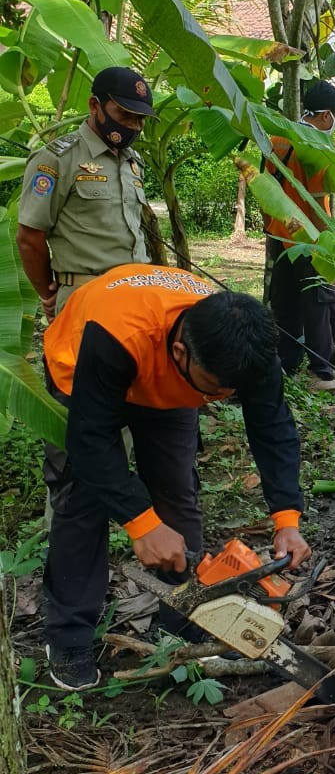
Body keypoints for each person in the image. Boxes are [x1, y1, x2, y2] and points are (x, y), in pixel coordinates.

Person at [41, 264, 310, 690]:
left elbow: (272, 426)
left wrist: (287, 519)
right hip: (86, 369)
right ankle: (69, 636)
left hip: (165, 382)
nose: (219, 400)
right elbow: (90, 439)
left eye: (230, 393)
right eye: (214, 389)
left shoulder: (246, 349)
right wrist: (141, 523)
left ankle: (181, 623)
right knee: (81, 498)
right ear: (182, 352)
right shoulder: (117, 333)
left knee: (175, 488)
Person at [262, 80, 335, 392]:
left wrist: (271, 228)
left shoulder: (277, 138)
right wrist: (329, 245)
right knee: (320, 301)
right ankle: (322, 373)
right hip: (310, 238)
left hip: (280, 235)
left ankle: (285, 365)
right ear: (326, 115)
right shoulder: (314, 145)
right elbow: (316, 198)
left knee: (285, 302)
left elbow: (263, 187)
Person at [17, 66, 154, 317]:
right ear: (94, 106)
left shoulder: (132, 162)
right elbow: (29, 237)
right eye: (124, 115)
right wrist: (48, 294)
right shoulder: (57, 159)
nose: (133, 126)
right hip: (86, 297)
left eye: (140, 119)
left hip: (137, 295)